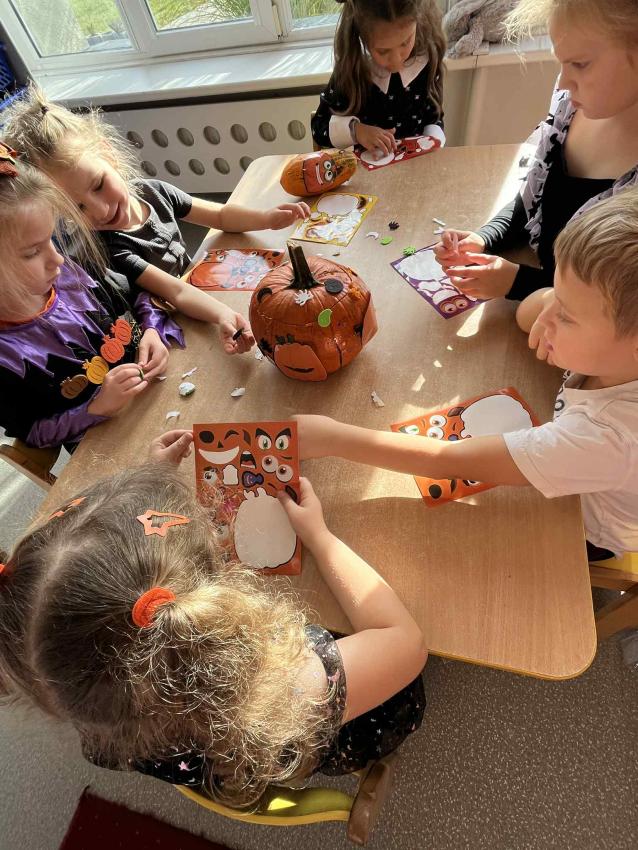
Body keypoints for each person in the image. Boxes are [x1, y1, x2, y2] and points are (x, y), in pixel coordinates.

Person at [0, 429, 427, 808]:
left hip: (219, 763)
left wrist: (151, 484)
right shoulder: (293, 683)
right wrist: (319, 535)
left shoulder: (85, 700)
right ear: (213, 582)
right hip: (346, 726)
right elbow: (405, 640)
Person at [296, 191, 638, 559]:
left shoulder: (609, 437)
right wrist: (554, 306)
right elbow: (527, 314)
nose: (546, 317)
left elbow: (448, 461)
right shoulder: (615, 356)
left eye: (566, 316)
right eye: (555, 294)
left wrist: (334, 438)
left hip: (586, 531)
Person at [2, 87, 310, 355]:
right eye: (79, 208)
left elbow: (220, 215)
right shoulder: (112, 248)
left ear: (108, 155)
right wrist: (222, 315)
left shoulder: (154, 191)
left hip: (205, 293)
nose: (100, 210)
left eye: (98, 185)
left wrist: (266, 218)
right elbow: (176, 293)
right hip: (174, 328)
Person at [434, 0, 638, 307]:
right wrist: (485, 237)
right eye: (561, 62)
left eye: (580, 64)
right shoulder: (571, 105)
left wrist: (517, 282)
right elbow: (535, 201)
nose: (563, 82)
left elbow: (610, 305)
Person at [0, 144, 180, 449]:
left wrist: (152, 329)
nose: (57, 259)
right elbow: (33, 432)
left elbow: (138, 296)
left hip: (162, 393)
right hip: (109, 447)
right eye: (32, 252)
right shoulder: (7, 358)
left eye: (51, 239)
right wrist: (95, 408)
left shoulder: (73, 273)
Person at [311, 0, 446, 155]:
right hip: (369, 168)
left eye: (405, 42)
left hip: (417, 165)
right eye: (383, 51)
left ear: (418, 22)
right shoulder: (353, 69)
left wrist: (434, 141)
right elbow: (319, 127)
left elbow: (434, 117)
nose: (396, 61)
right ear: (362, 37)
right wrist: (357, 131)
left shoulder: (427, 58)